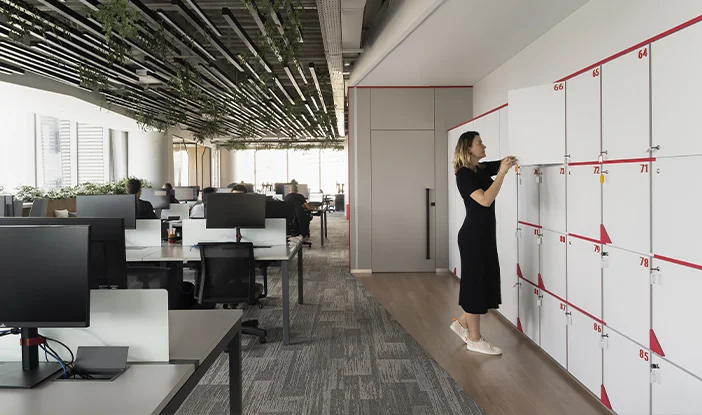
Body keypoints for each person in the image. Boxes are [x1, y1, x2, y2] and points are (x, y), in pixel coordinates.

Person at [450, 131, 517, 356]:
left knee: (481, 281)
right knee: (475, 285)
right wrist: (503, 174)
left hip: (483, 236)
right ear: (469, 148)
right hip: (473, 237)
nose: (484, 145)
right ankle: (475, 339)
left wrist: (507, 163)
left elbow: (497, 165)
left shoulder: (478, 169)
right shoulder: (464, 175)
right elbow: (485, 200)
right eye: (480, 143)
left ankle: (461, 324)